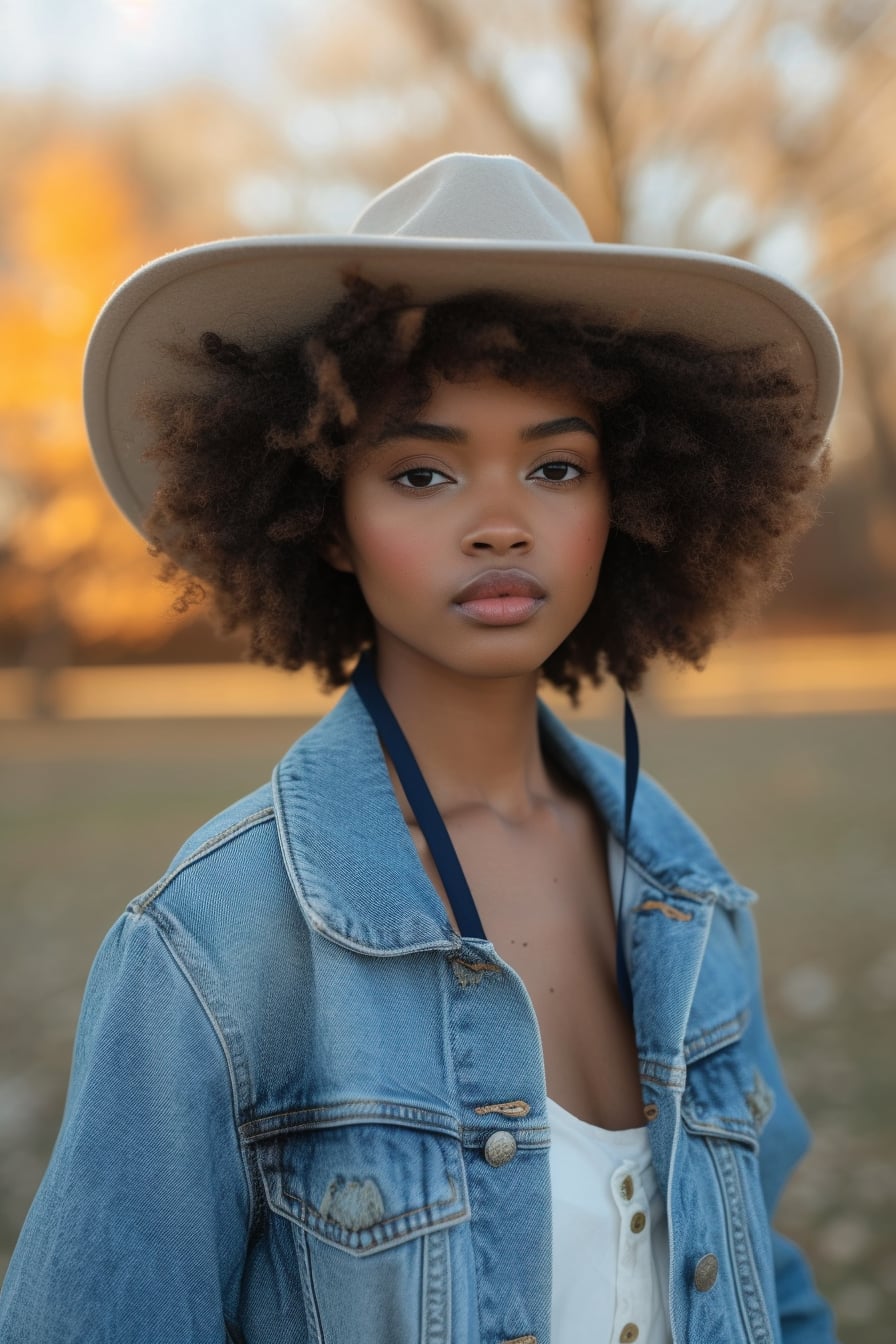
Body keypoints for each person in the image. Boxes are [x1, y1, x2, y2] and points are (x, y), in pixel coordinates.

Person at [0, 153, 842, 1344]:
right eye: (421, 471)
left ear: (631, 502)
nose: (499, 520)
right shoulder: (215, 943)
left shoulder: (688, 895)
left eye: (556, 466)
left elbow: (759, 1266)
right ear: (329, 520)